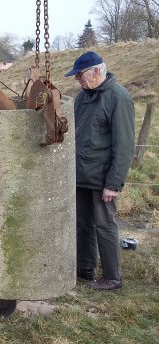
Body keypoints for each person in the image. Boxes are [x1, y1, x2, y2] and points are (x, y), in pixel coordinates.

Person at [65, 51, 135, 291]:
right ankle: (84, 267)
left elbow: (124, 146)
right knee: (82, 222)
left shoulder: (118, 98)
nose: (78, 81)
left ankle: (112, 277)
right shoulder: (82, 97)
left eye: (80, 76)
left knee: (104, 225)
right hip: (80, 174)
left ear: (96, 71)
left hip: (102, 178)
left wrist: (113, 184)